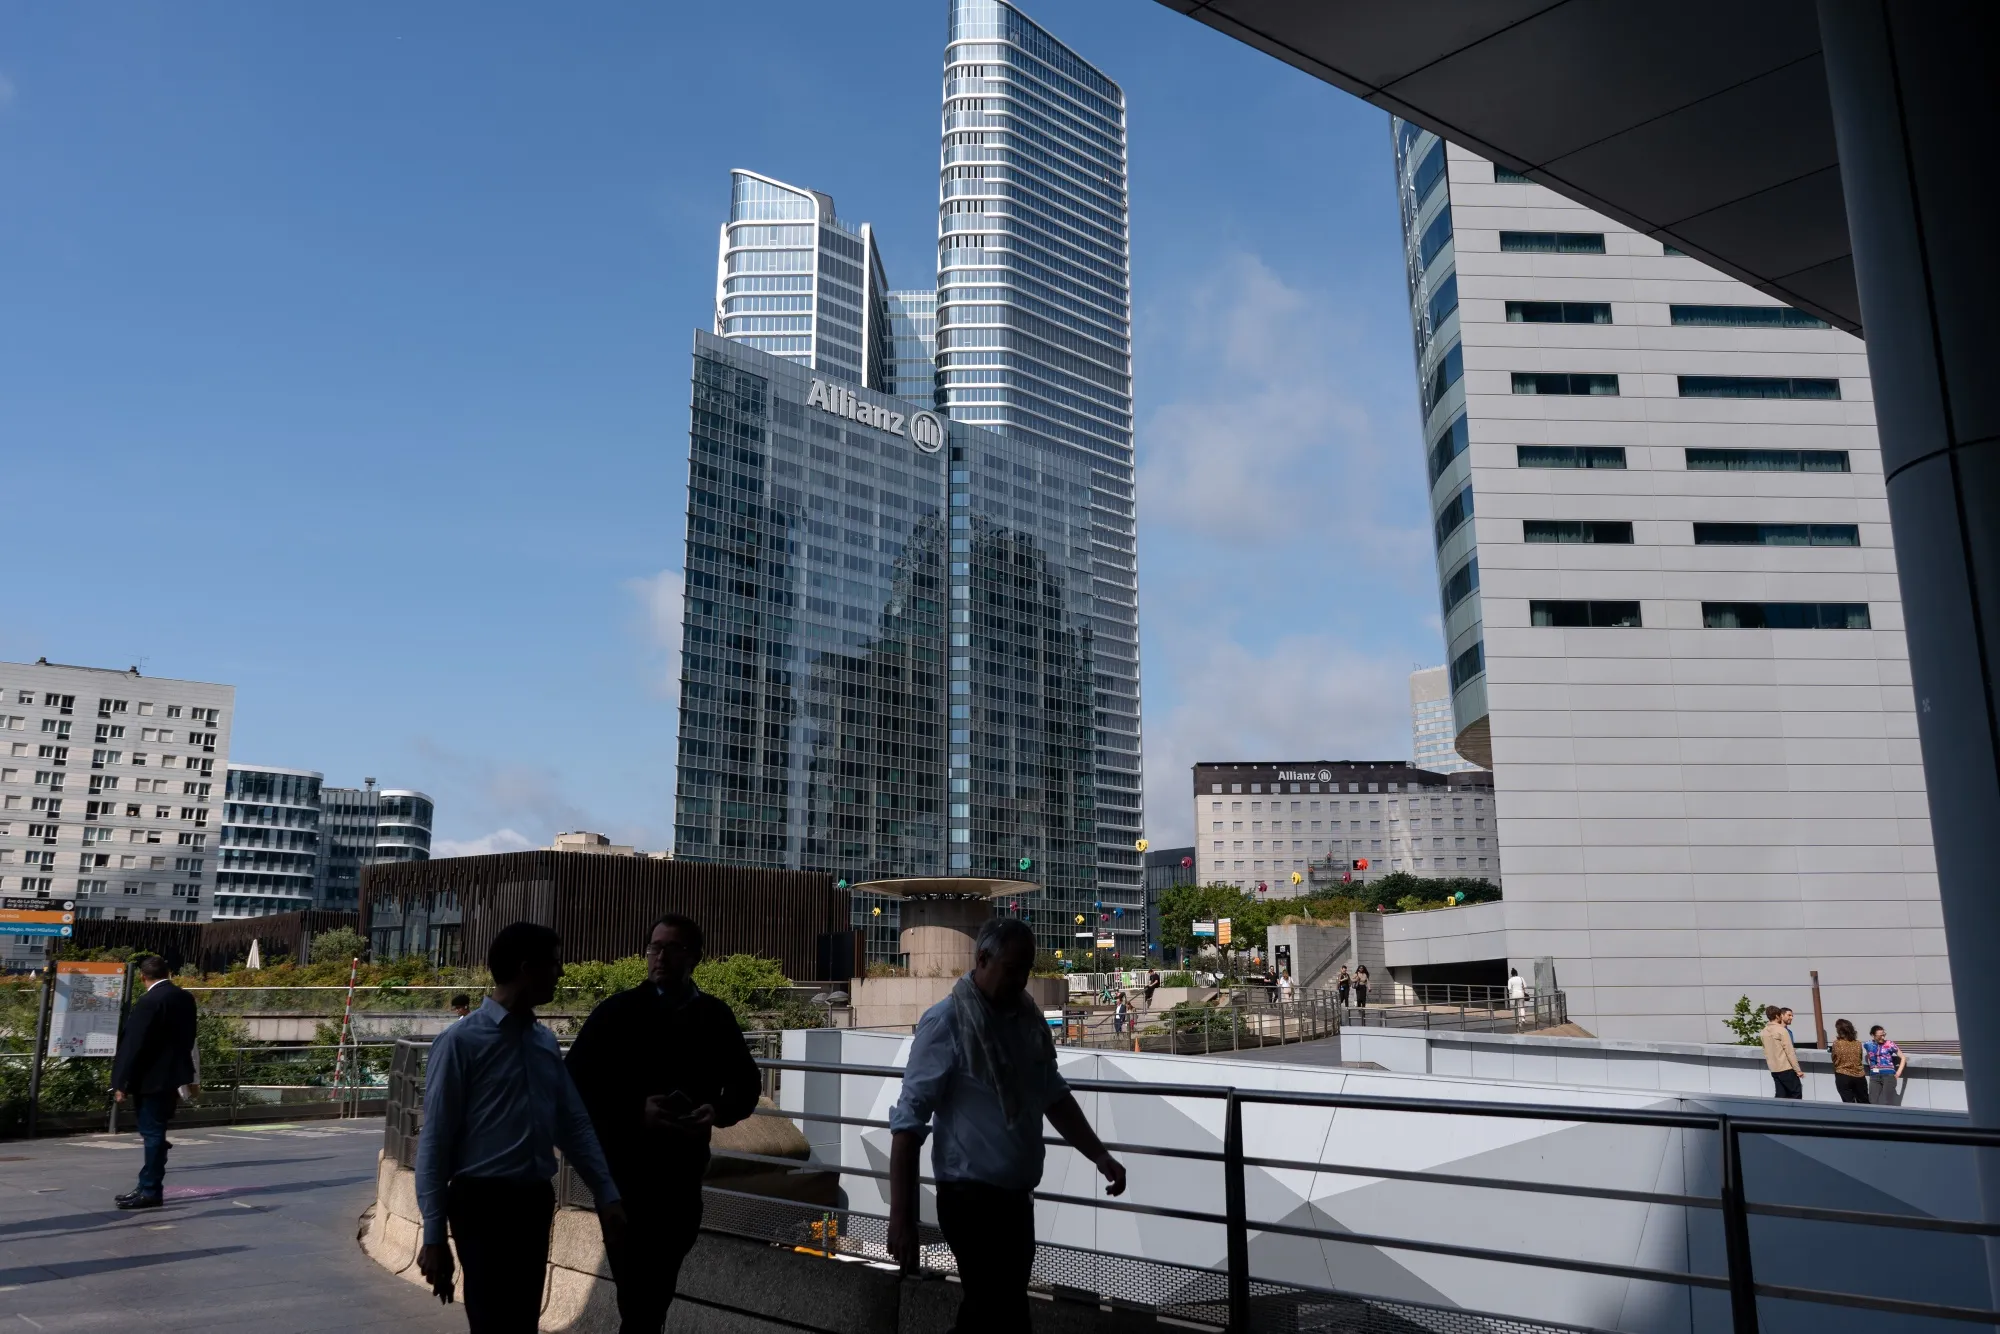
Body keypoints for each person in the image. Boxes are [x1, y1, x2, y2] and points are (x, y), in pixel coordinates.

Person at [888, 918, 1127, 1332]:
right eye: (1012, 969)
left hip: (1016, 1200)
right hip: (968, 1200)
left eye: (1026, 970)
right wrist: (902, 1218)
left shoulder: (1026, 1022)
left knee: (998, 1310)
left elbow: (1052, 1093)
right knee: (998, 1309)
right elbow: (908, 1125)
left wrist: (1098, 1154)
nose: (1021, 980)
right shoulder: (946, 1023)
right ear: (982, 959)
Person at [415, 922, 626, 1334]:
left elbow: (573, 1125)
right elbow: (435, 1141)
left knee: (522, 1321)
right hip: (481, 1206)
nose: (561, 973)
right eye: (555, 963)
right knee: (494, 1322)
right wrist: (434, 1235)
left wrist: (607, 1194)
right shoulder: (460, 1043)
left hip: (533, 1202)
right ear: (527, 968)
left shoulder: (544, 1042)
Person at [565, 915, 760, 1333]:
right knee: (641, 1298)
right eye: (655, 947)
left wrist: (717, 1110)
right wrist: (636, 1112)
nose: (660, 956)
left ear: (695, 957)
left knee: (653, 1294)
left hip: (681, 1178)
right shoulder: (615, 1012)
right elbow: (574, 1086)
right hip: (625, 1178)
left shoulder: (715, 1016)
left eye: (672, 948)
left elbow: (746, 1085)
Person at [110, 954, 199, 1210]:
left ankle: (150, 1189)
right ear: (169, 973)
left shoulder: (149, 1001)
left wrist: (120, 1081)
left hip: (149, 1078)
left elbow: (134, 1044)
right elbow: (189, 1037)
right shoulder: (185, 998)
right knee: (156, 1130)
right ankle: (147, 1183)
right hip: (173, 1075)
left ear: (142, 977)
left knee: (152, 1132)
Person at [1761, 1005, 1803, 1099]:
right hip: (1785, 1068)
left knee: (1781, 1094)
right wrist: (1798, 1070)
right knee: (1796, 1092)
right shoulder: (1782, 1030)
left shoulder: (1764, 1031)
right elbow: (1790, 1052)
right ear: (1777, 1016)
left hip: (1774, 1069)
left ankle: (1777, 1109)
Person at [1864, 1024, 1906, 1105]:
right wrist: (1872, 1066)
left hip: (1888, 1075)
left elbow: (1903, 1057)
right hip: (1874, 1075)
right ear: (1873, 1035)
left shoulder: (1889, 1044)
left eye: (1884, 1035)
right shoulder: (1868, 1044)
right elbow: (1869, 1056)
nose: (1883, 1037)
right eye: (1880, 1036)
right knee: (1872, 1100)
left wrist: (1898, 1073)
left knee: (1888, 1101)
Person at [1830, 1019, 1867, 1104]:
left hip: (1843, 1074)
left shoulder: (1837, 1043)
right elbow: (1860, 1057)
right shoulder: (1858, 1043)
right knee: (1864, 1101)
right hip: (1859, 1075)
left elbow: (1834, 1058)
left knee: (1848, 1102)